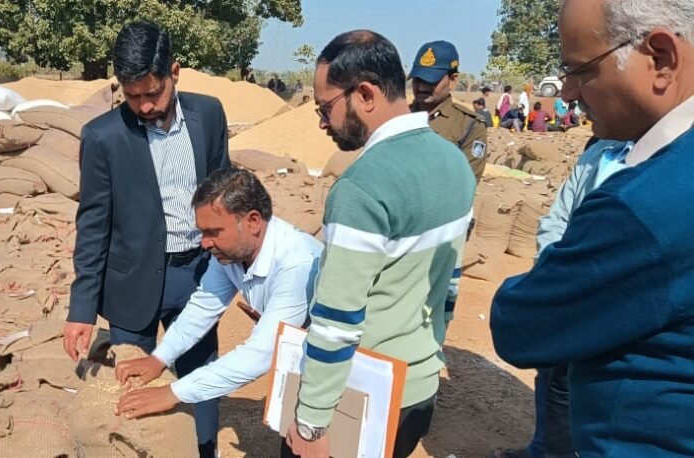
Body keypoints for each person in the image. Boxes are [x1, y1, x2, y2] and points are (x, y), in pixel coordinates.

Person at [490, 0, 694, 455]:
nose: (568, 92)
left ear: (661, 59)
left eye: (581, 71)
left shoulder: (646, 202)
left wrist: (553, 276)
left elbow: (521, 325)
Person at [284, 30, 475, 458]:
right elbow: (449, 283)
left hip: (359, 395)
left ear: (365, 94)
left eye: (325, 108)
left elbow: (337, 320)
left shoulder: (361, 188)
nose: (322, 122)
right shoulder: (455, 164)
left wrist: (312, 421)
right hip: (417, 388)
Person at [63, 21, 231, 457]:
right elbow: (93, 225)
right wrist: (82, 308)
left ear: (175, 72)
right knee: (133, 387)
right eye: (132, 95)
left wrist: (239, 269)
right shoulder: (102, 136)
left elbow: (224, 195)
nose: (144, 105)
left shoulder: (209, 116)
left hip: (196, 275)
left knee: (200, 377)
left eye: (152, 93)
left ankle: (203, 449)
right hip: (131, 283)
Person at [114, 168, 322, 421]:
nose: (204, 243)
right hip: (304, 358)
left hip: (341, 366)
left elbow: (261, 353)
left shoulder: (296, 264)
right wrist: (160, 358)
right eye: (202, 232)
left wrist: (173, 393)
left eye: (214, 232)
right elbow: (204, 305)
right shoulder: (230, 252)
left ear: (253, 221)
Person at [492, 138, 633, 458]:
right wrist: (556, 274)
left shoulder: (668, 162)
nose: (585, 113)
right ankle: (543, 448)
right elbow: (557, 219)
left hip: (616, 299)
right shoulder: (600, 151)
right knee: (554, 377)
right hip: (569, 291)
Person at [409, 40, 489, 181]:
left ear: (452, 80)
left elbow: (465, 182)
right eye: (418, 80)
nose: (421, 87)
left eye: (430, 81)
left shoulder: (470, 126)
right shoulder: (397, 118)